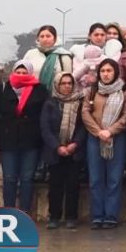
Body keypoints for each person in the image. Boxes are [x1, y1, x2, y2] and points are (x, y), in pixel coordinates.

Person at [0, 60, 48, 213]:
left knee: (27, 178)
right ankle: (9, 212)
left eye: (24, 73)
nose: (21, 75)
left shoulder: (40, 90)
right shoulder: (2, 88)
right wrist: (1, 133)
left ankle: (24, 213)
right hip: (8, 142)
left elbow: (45, 114)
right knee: (9, 178)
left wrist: (39, 135)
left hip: (31, 142)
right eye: (18, 72)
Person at [81, 59, 126, 229]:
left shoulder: (124, 91)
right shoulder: (92, 90)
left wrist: (110, 131)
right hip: (95, 138)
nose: (106, 74)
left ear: (115, 72)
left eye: (109, 70)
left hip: (116, 139)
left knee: (114, 179)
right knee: (95, 178)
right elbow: (85, 112)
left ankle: (110, 215)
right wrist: (99, 131)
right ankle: (97, 215)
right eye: (103, 71)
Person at [40, 72, 86, 229]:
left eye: (69, 83)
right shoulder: (50, 103)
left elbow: (83, 126)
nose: (67, 86)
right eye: (63, 83)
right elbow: (45, 128)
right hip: (55, 152)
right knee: (55, 186)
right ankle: (54, 216)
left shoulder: (80, 102)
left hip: (74, 151)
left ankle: (71, 217)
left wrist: (75, 144)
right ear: (57, 85)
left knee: (73, 185)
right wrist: (57, 146)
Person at [24, 25, 74, 91]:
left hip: (57, 96)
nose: (45, 39)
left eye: (48, 36)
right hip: (33, 94)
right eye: (42, 36)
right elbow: (23, 74)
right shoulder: (31, 54)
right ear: (38, 39)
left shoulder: (63, 55)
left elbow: (69, 79)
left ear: (55, 38)